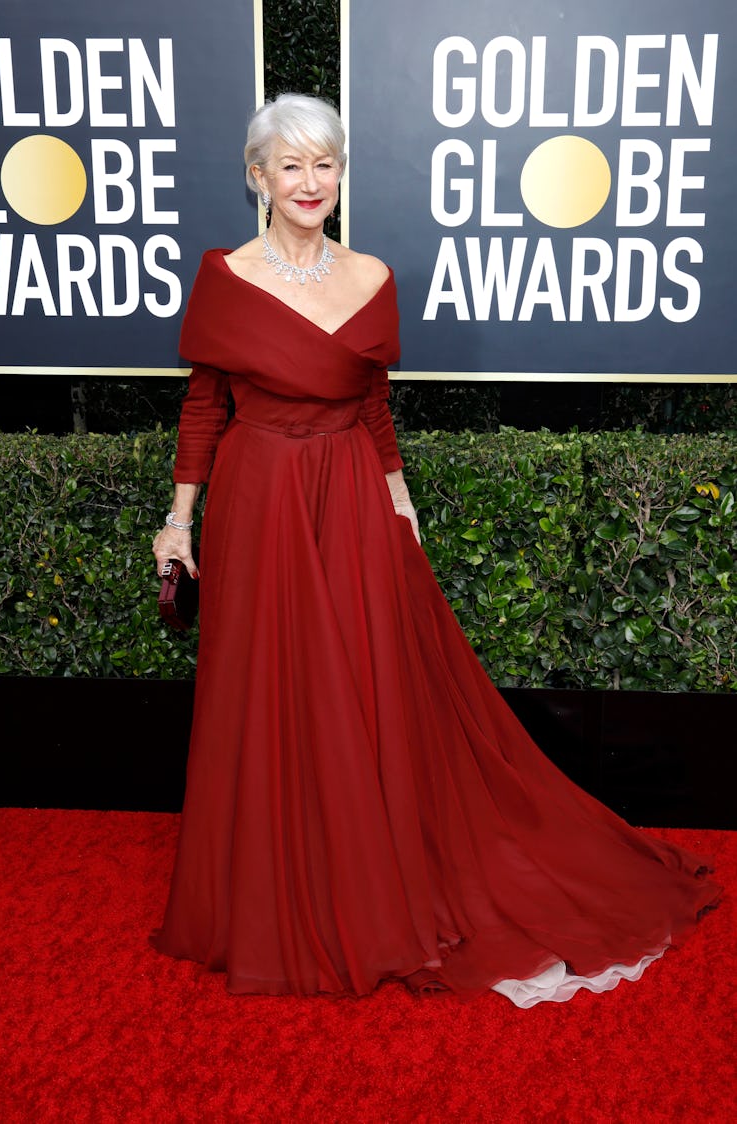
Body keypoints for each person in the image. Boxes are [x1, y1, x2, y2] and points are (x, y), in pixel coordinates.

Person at [151, 93, 719, 1006]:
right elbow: (204, 407)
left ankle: (372, 872)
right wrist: (180, 521)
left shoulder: (372, 276)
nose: (309, 182)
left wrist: (398, 504)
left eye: (324, 164)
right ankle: (277, 882)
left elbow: (373, 408)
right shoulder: (224, 276)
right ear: (257, 177)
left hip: (348, 498)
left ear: (340, 175)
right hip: (258, 501)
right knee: (268, 688)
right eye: (289, 165)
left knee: (367, 688)